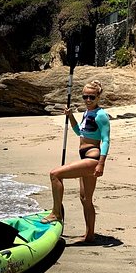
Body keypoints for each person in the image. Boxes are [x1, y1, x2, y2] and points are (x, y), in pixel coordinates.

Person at [43, 80, 111, 244]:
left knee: (55, 174)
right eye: (85, 97)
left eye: (92, 97)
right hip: (86, 157)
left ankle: (56, 213)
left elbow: (106, 140)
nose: (88, 100)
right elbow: (78, 132)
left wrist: (101, 163)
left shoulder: (101, 115)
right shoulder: (87, 113)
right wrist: (70, 116)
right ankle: (90, 235)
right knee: (85, 199)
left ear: (98, 96)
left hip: (92, 158)